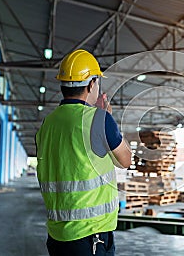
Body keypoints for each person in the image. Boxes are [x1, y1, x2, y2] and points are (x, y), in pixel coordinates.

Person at [36, 49, 131, 256]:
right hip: (91, 237)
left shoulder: (47, 124)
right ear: (91, 84)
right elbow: (125, 160)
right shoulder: (98, 120)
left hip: (57, 236)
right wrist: (107, 121)